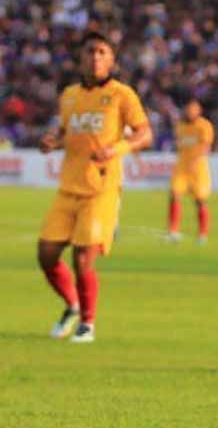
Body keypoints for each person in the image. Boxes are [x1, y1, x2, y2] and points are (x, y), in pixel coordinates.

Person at [37, 31, 153, 343]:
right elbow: (66, 132)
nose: (96, 57)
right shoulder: (70, 95)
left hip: (101, 188)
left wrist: (115, 150)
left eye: (103, 52)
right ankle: (72, 305)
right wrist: (53, 142)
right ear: (81, 57)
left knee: (83, 257)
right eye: (90, 51)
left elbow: (145, 134)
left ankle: (88, 323)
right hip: (68, 186)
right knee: (46, 255)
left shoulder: (122, 95)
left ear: (112, 59)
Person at [168, 98, 214, 244]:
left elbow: (206, 146)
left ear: (199, 111)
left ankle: (203, 234)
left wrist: (197, 158)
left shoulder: (204, 126)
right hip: (182, 167)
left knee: (200, 200)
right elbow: (179, 144)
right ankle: (173, 232)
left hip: (198, 170)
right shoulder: (179, 126)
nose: (190, 112)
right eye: (188, 109)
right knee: (174, 194)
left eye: (193, 109)